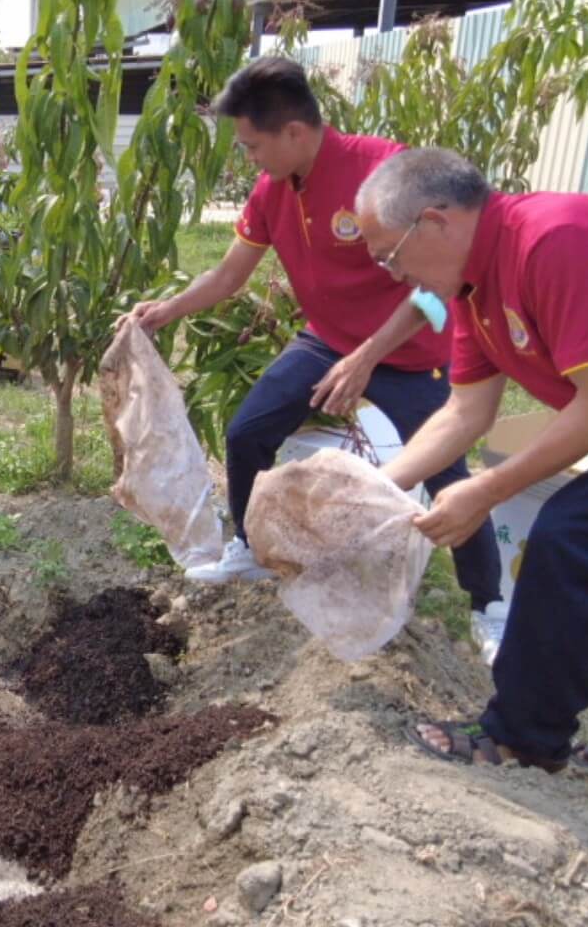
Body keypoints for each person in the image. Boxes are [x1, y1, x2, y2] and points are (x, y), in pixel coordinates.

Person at [358, 148, 588, 816]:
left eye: (391, 255)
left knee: (573, 537)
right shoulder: (475, 286)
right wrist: (372, 491)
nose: (394, 273)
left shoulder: (553, 243)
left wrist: (486, 491)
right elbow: (466, 410)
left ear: (435, 222)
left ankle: (524, 738)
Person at [128, 56, 503, 632]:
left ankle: (488, 606)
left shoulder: (384, 176)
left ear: (294, 133)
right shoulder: (271, 190)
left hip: (407, 353)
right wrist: (166, 311)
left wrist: (368, 356)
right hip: (327, 340)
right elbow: (229, 275)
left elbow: (434, 289)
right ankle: (251, 549)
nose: (248, 157)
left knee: (447, 472)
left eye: (253, 145)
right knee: (247, 431)